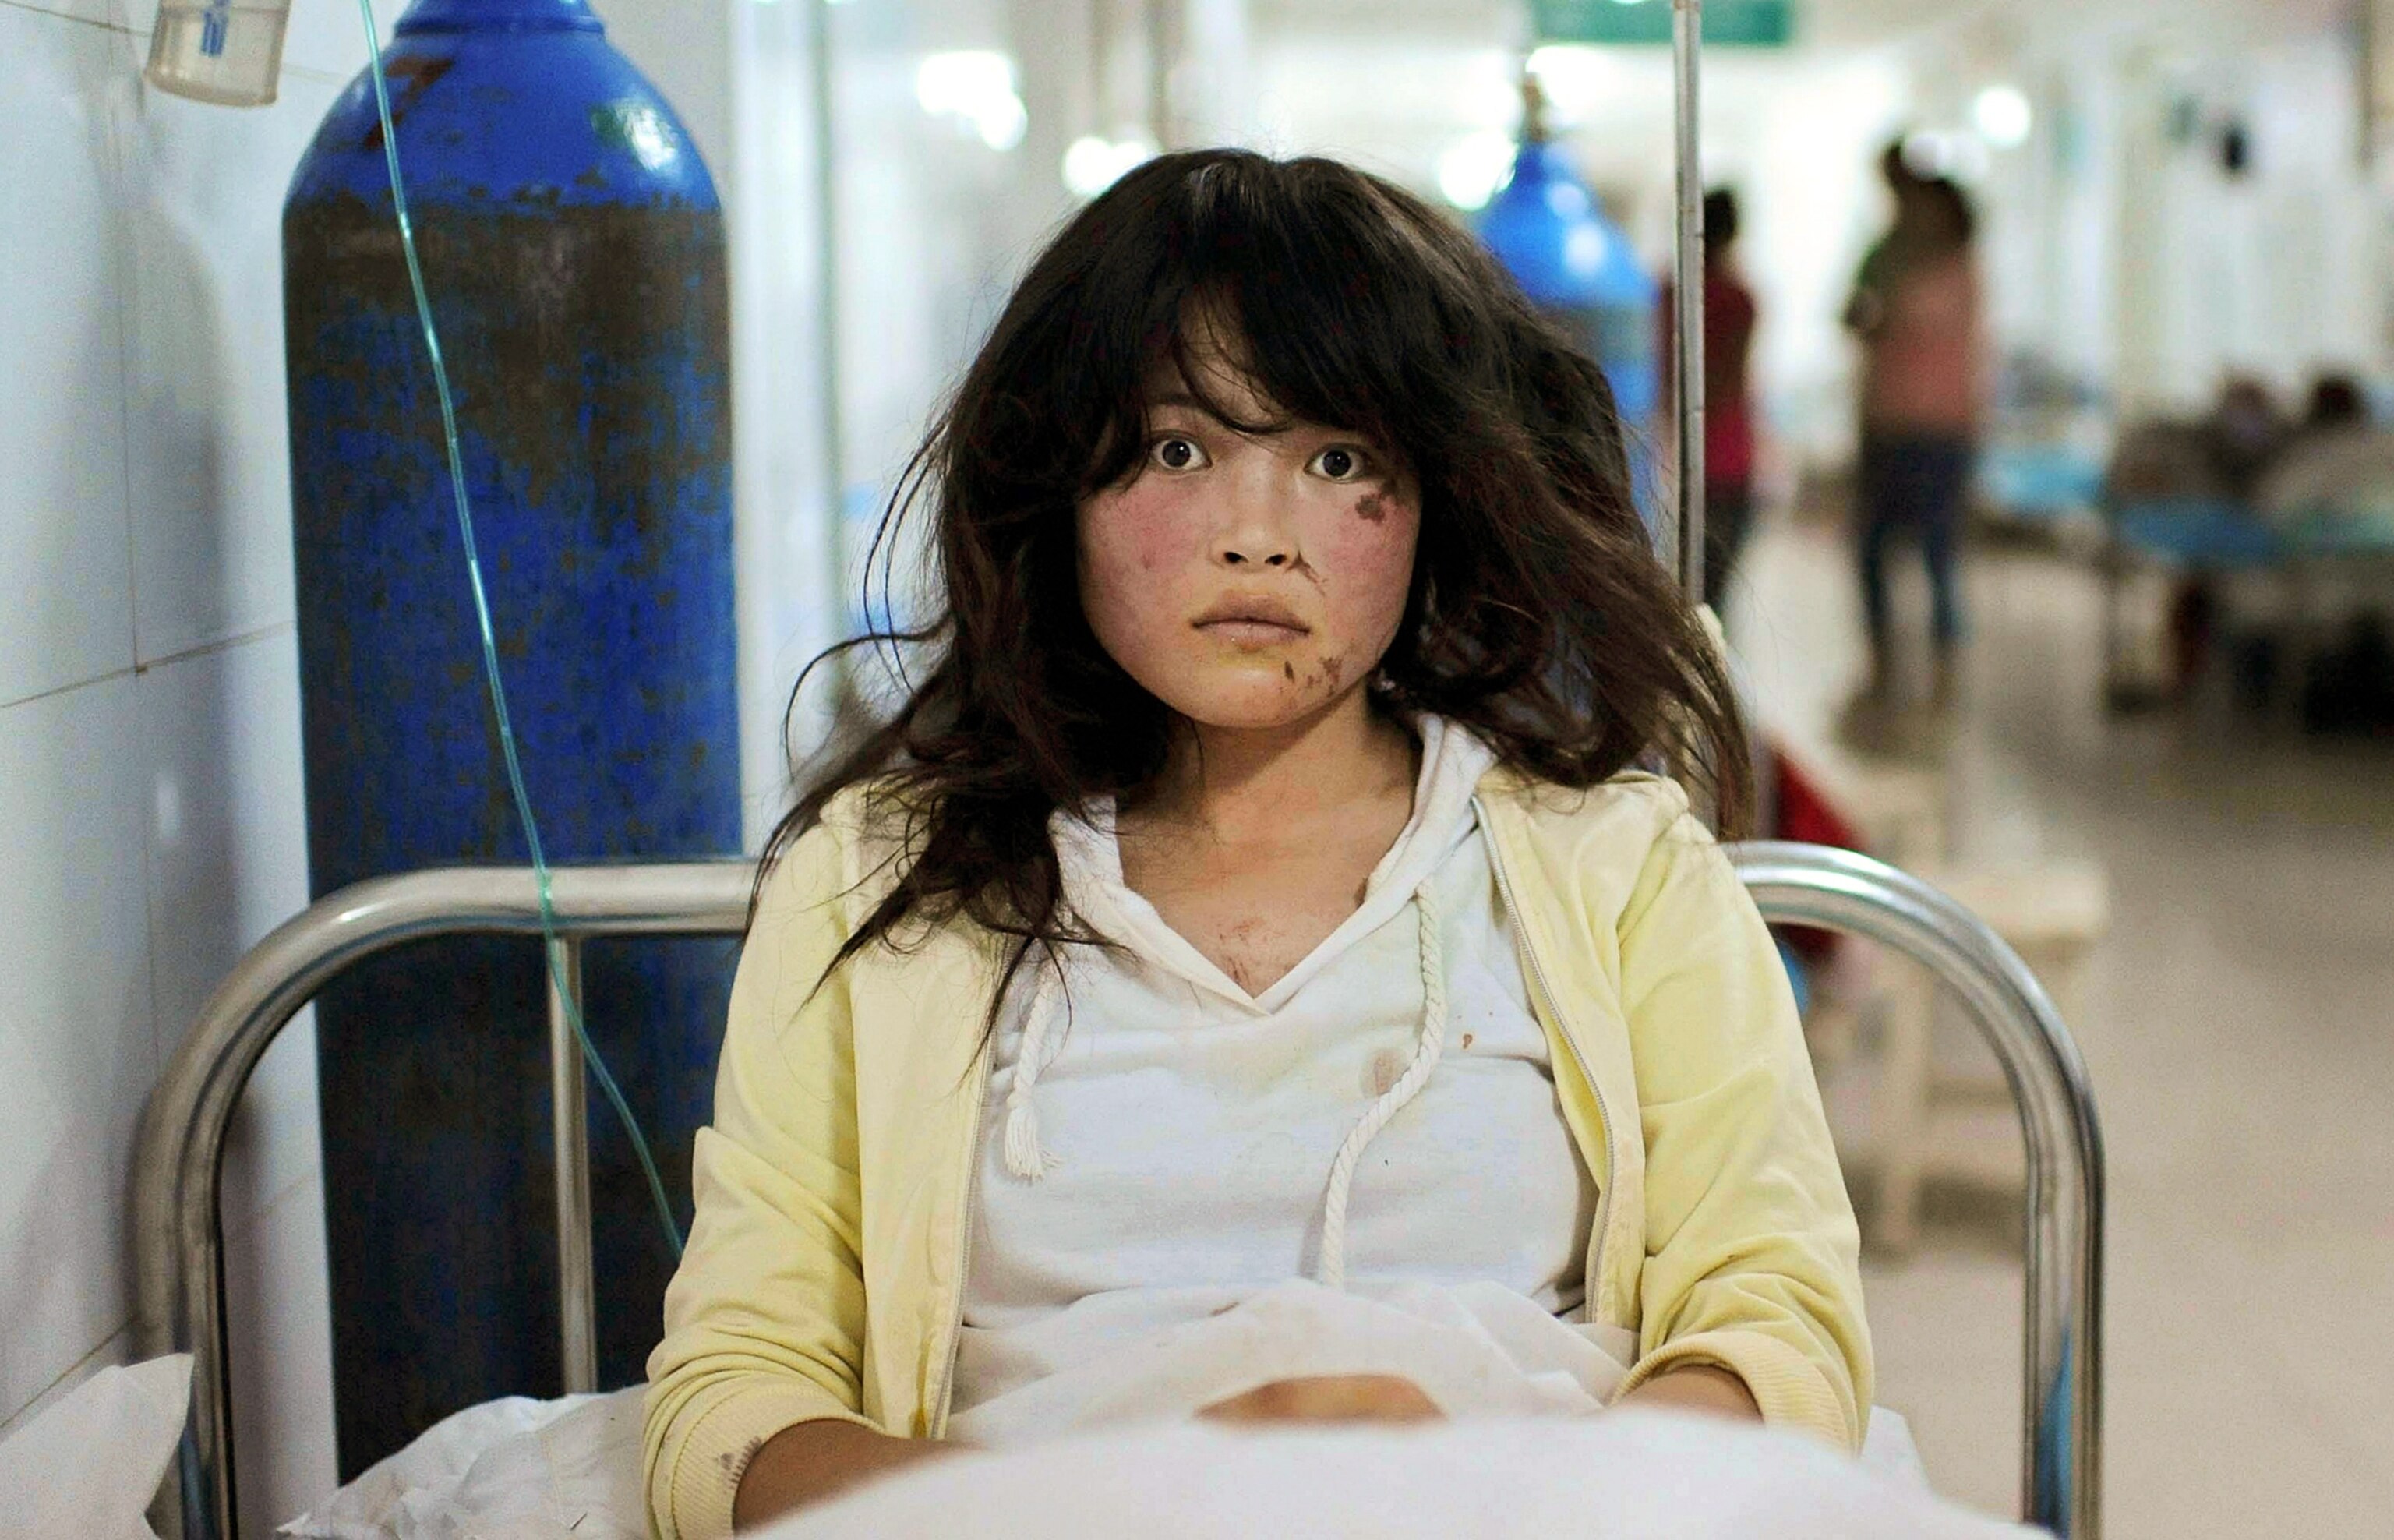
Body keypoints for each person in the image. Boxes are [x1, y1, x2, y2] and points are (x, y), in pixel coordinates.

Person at [641, 150, 1870, 1539]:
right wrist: (1092, 1510)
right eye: (1179, 451)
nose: (1256, 537)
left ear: (1436, 500)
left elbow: (1775, 1322)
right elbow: (735, 1402)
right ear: (1058, 487)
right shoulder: (883, 883)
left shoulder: (1616, 870)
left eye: (1337, 461)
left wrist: (1530, 1497)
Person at [1845, 147, 1985, 708]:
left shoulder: (1957, 269)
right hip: (1887, 422)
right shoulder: (1884, 255)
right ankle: (1881, 660)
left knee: (1938, 553)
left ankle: (1944, 662)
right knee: (1872, 550)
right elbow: (1854, 315)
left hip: (1943, 428)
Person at [1658, 188, 1762, 611]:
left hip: (1677, 456)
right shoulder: (1737, 299)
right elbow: (1727, 383)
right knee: (1712, 599)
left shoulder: (1669, 293)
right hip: (1728, 459)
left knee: (1685, 590)